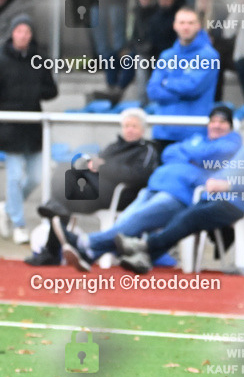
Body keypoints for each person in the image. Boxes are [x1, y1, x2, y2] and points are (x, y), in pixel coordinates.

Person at [118, 107, 244, 274]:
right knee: (184, 216)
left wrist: (230, 186)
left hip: (241, 204)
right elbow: (226, 171)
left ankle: (145, 247)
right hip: (217, 197)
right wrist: (214, 182)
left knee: (190, 217)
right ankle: (146, 255)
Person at [61, 106, 241, 271]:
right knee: (126, 219)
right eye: (213, 121)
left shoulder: (232, 142)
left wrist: (188, 153)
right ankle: (90, 253)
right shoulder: (197, 139)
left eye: (222, 122)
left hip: (180, 196)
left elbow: (209, 154)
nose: (216, 125)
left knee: (136, 220)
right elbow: (168, 152)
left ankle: (86, 242)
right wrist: (194, 155)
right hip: (154, 187)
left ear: (230, 126)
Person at [26, 109, 160, 266]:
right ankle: (53, 241)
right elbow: (97, 165)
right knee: (64, 173)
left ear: (143, 130)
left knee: (61, 200)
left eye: (134, 126)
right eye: (126, 126)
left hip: (119, 196)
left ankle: (53, 240)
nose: (129, 130)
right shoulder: (113, 146)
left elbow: (138, 176)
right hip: (95, 191)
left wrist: (105, 167)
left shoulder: (146, 150)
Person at [0, 15, 59, 244]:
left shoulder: (39, 59)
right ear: (13, 33)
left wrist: (34, 90)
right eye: (19, 31)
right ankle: (18, 223)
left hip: (33, 127)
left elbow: (51, 90)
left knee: (36, 176)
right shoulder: (2, 58)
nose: (23, 36)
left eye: (27, 32)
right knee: (14, 177)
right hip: (10, 127)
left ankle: (7, 208)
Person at [146, 7, 220, 151]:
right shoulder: (167, 55)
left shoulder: (209, 56)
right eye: (182, 22)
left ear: (198, 26)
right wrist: (181, 92)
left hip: (192, 132)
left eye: (190, 23)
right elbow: (152, 90)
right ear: (175, 25)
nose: (186, 27)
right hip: (163, 131)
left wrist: (166, 82)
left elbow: (193, 88)